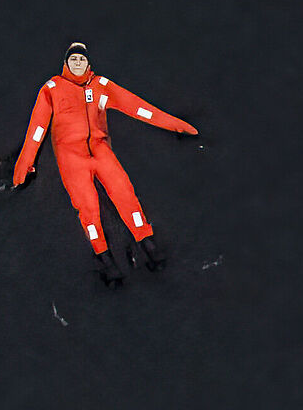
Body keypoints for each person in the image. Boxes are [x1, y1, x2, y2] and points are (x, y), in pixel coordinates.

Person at [11, 42, 196, 283]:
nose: (78, 63)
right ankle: (103, 256)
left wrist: (178, 125)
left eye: (82, 59)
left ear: (89, 63)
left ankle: (146, 241)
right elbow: (37, 129)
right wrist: (23, 169)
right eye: (73, 59)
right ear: (65, 63)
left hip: (100, 150)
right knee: (87, 206)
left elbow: (136, 107)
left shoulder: (100, 85)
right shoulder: (52, 88)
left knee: (124, 192)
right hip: (72, 157)